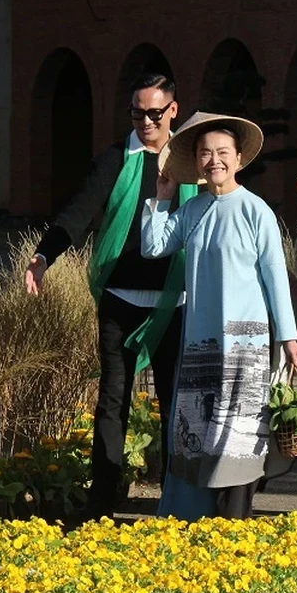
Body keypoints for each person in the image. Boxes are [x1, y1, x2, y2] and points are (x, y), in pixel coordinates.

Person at [24, 73, 197, 526]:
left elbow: (224, 215)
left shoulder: (193, 163)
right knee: (111, 402)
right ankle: (101, 504)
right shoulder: (115, 161)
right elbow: (78, 212)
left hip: (175, 304)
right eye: (137, 113)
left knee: (174, 404)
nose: (145, 121)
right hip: (119, 299)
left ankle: (174, 504)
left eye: (155, 113)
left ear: (173, 111)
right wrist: (44, 256)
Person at [142, 111, 297, 521]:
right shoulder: (193, 210)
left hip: (246, 343)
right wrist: (162, 197)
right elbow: (152, 246)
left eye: (222, 152)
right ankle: (198, 517)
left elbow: (275, 278)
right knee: (200, 431)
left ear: (237, 158)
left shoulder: (256, 211)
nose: (214, 160)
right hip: (200, 342)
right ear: (196, 161)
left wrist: (289, 337)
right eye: (205, 153)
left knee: (241, 433)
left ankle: (235, 518)